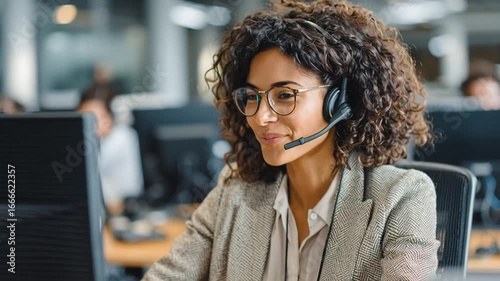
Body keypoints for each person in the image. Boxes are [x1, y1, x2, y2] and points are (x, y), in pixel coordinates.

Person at [142, 0, 439, 280]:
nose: (261, 118)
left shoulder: (401, 197)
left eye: (284, 95)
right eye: (252, 97)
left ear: (340, 102)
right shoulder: (234, 193)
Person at [78, 83, 144, 215]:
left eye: (95, 120)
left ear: (109, 118)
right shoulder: (75, 145)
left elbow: (123, 196)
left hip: (117, 211)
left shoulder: (122, 137)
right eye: (83, 120)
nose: (89, 128)